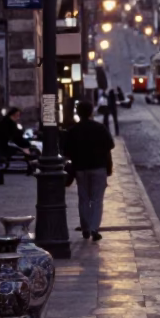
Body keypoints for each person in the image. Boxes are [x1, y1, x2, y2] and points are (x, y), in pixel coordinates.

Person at [63, 100, 114, 241]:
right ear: (91, 112)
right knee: (97, 199)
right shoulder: (100, 128)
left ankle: (85, 228)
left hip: (80, 168)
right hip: (98, 167)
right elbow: (109, 146)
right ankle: (94, 228)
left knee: (83, 199)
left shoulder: (73, 130)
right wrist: (108, 167)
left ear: (78, 113)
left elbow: (66, 151)